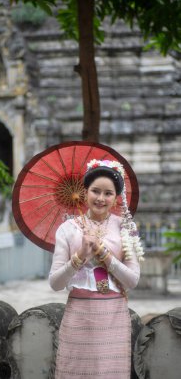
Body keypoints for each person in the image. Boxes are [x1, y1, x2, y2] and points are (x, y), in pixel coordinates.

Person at [49, 159, 144, 379]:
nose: (101, 198)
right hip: (78, 315)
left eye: (108, 193)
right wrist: (80, 256)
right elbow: (55, 283)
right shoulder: (68, 229)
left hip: (113, 316)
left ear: (116, 197)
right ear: (85, 191)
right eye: (95, 191)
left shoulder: (125, 227)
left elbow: (132, 280)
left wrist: (105, 256)